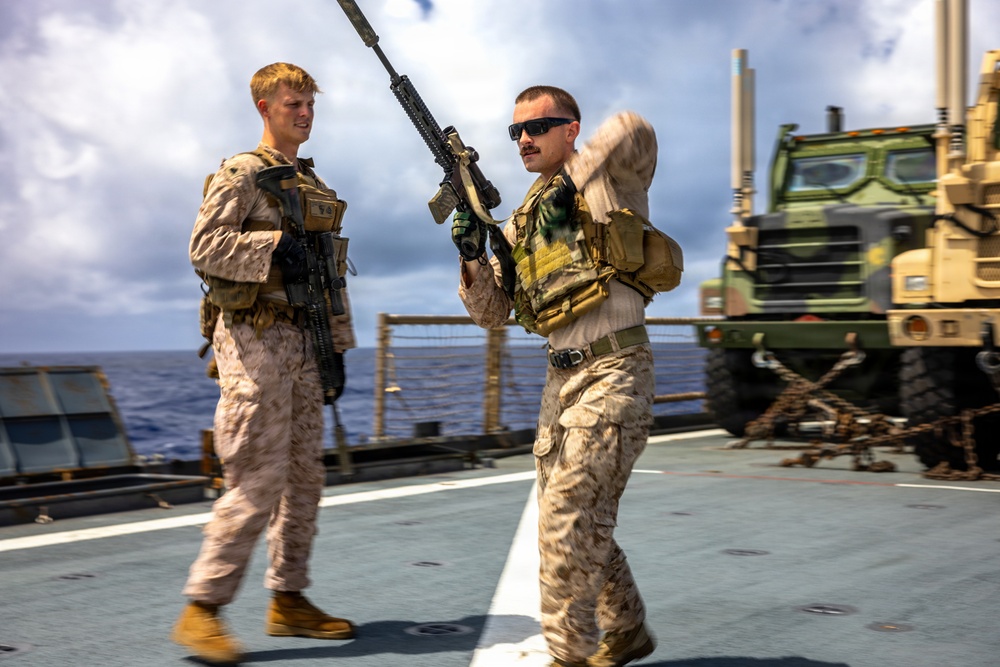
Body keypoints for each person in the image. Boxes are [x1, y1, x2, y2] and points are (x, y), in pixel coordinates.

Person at [453, 85, 660, 667]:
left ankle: (568, 656)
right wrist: (471, 255)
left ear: (571, 130)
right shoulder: (522, 222)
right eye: (516, 131)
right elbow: (491, 314)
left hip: (615, 370)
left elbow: (634, 127)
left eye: (538, 127)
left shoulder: (611, 179)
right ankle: (626, 629)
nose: (524, 139)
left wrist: (572, 180)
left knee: (569, 520)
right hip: (560, 383)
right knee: (569, 517)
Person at [173, 62, 357, 666]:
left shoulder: (311, 184)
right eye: (292, 104)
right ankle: (203, 608)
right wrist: (275, 244)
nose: (304, 114)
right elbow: (204, 247)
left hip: (305, 344)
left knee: (304, 480)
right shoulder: (243, 173)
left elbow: (329, 277)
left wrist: (336, 346)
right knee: (256, 477)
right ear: (264, 108)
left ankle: (288, 600)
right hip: (256, 340)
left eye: (309, 104)